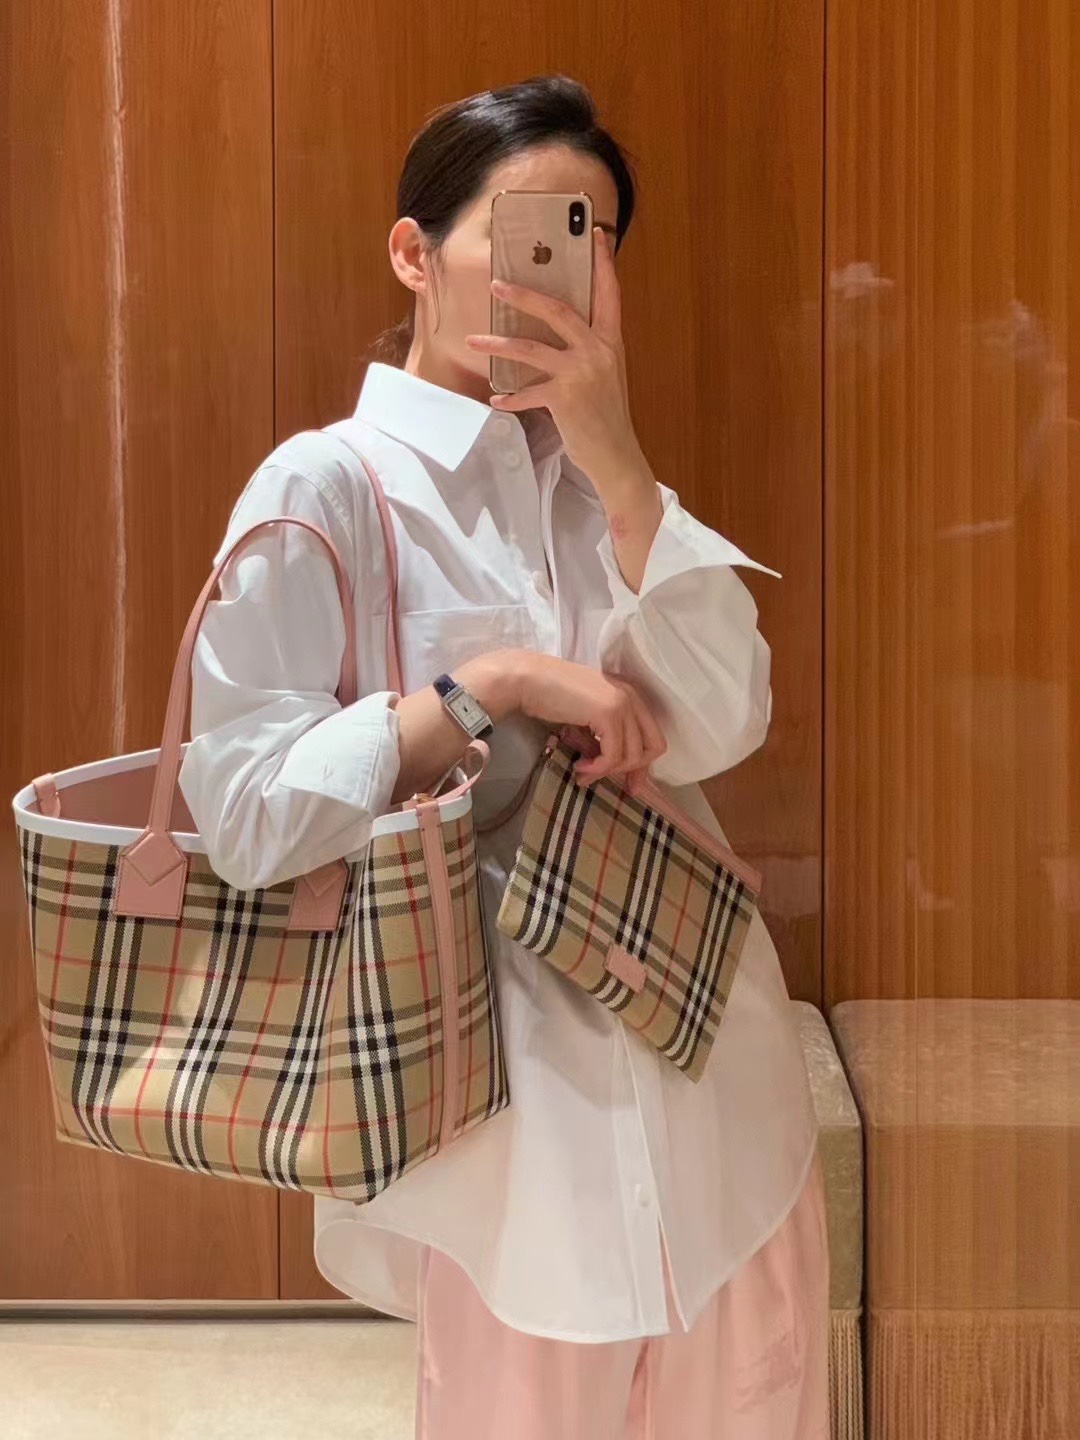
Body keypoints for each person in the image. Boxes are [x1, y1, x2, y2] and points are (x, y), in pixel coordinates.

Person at [178, 73, 829, 1440]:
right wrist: (489, 686)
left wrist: (623, 464)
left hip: (723, 1108)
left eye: (592, 240)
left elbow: (730, 718)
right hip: (511, 1163)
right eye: (529, 230)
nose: (563, 272)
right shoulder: (326, 487)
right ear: (414, 254)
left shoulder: (603, 490)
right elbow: (243, 814)